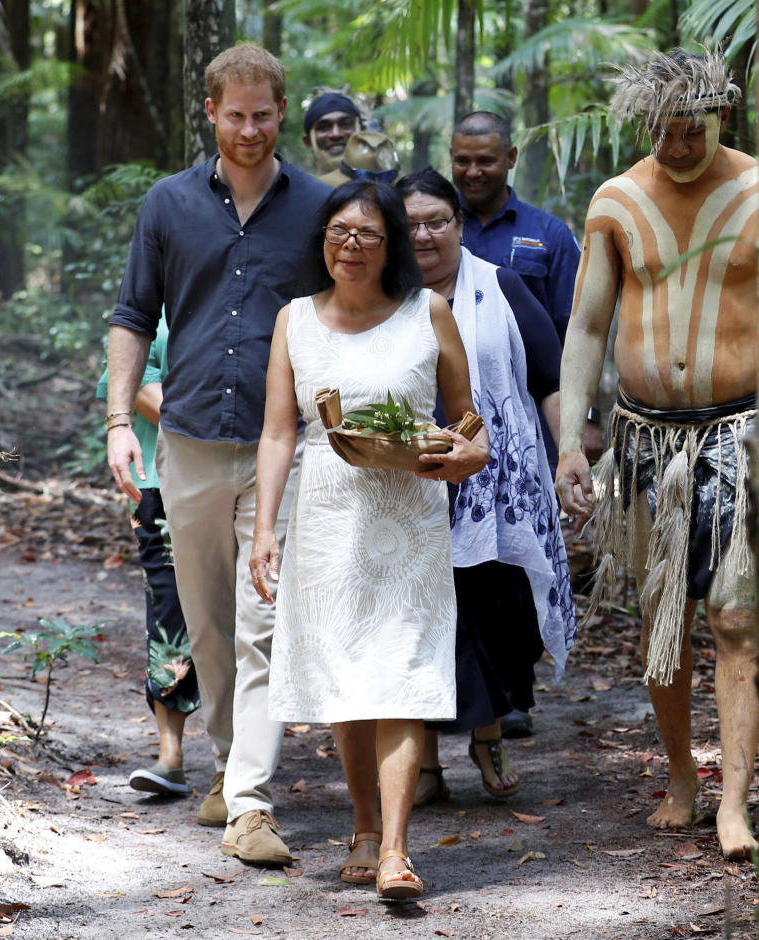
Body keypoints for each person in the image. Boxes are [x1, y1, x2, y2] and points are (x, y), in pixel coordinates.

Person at [555, 49, 759, 860]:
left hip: (743, 433)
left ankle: (734, 802)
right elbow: (588, 329)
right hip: (644, 439)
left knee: (739, 617)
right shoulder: (617, 202)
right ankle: (681, 776)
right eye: (663, 132)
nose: (676, 146)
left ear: (723, 118)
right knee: (661, 619)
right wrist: (573, 438)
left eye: (692, 131)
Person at [105, 43, 333, 868]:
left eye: (263, 114)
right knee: (208, 625)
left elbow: (351, 312)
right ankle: (227, 758)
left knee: (265, 622)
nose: (249, 128)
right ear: (210, 112)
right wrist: (118, 422)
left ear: (282, 109)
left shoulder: (319, 206)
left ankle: (249, 804)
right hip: (191, 443)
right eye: (234, 114)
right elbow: (133, 314)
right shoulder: (168, 205)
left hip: (287, 448)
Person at [249, 179, 489, 899]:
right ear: (322, 238)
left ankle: (394, 850)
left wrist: (469, 456)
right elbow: (278, 431)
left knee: (401, 676)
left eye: (367, 236)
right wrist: (265, 529)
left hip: (410, 514)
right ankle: (360, 824)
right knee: (344, 677)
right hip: (326, 514)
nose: (350, 247)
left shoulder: (428, 313)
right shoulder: (295, 319)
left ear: (394, 247)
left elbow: (467, 419)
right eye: (338, 233)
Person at [395, 168, 576, 805]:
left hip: (495, 484)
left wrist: (570, 456)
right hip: (401, 481)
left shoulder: (501, 287)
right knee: (418, 616)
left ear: (459, 226)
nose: (424, 235)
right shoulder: (378, 297)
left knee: (489, 613)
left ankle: (488, 731)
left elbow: (551, 379)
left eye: (436, 222)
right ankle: (422, 762)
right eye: (411, 223)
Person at [97, 319, 201, 797]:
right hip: (158, 481)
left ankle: (237, 762)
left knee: (242, 611)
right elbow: (134, 383)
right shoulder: (147, 312)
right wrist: (207, 420)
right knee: (167, 614)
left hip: (246, 477)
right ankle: (170, 757)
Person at [450, 111, 580, 343]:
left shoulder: (551, 234)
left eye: (485, 161)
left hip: (531, 377)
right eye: (462, 161)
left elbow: (573, 327)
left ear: (511, 157)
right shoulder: (431, 231)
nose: (472, 171)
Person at [302, 90, 361, 179]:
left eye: (345, 124)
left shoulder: (385, 187)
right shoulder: (299, 191)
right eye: (324, 127)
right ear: (309, 142)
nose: (335, 134)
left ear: (362, 132)